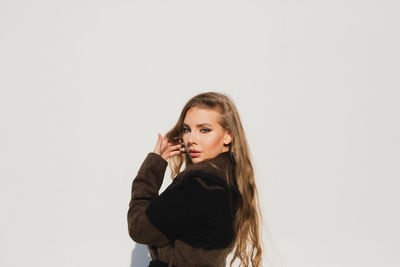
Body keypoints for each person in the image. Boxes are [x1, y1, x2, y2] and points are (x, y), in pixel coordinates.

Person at [127, 92, 262, 267]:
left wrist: (153, 166)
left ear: (228, 136)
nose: (191, 139)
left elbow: (139, 227)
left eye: (204, 130)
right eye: (187, 129)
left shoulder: (198, 185)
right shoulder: (231, 179)